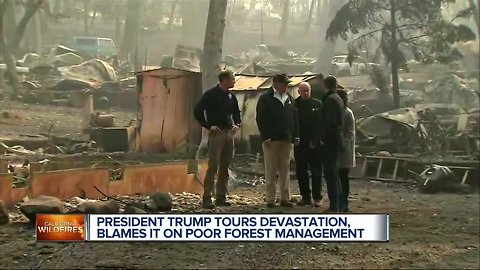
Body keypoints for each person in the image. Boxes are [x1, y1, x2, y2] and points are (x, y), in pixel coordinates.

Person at [193, 70, 241, 209]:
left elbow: (236, 113)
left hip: (228, 133)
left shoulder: (231, 96)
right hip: (216, 133)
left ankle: (221, 196)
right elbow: (197, 111)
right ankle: (207, 197)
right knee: (213, 166)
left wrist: (237, 124)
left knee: (225, 166)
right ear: (224, 80)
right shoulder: (211, 95)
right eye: (232, 79)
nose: (234, 81)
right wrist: (208, 126)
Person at [256, 73, 300, 208]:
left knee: (285, 168)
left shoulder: (289, 99)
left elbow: (295, 119)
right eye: (284, 83)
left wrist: (296, 135)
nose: (286, 86)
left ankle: (285, 198)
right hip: (271, 139)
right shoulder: (265, 98)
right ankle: (270, 198)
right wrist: (265, 136)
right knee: (271, 168)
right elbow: (261, 119)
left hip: (287, 138)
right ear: (276, 83)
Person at [312, 75, 345, 213]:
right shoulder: (337, 98)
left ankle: (334, 206)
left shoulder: (330, 100)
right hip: (335, 140)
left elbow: (328, 123)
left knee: (330, 175)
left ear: (325, 86)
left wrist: (319, 139)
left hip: (330, 142)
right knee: (333, 174)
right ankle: (338, 205)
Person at [294, 82, 323, 207]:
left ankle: (317, 197)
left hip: (314, 144)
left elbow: (321, 125)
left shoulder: (318, 104)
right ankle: (305, 197)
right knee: (301, 171)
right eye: (303, 91)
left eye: (308, 90)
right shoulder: (295, 105)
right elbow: (292, 123)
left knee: (316, 171)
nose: (306, 93)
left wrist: (315, 140)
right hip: (300, 143)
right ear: (299, 92)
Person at [337, 89, 355, 212]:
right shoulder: (338, 112)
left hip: (345, 151)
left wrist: (342, 144)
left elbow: (350, 133)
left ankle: (344, 202)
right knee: (337, 178)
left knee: (343, 177)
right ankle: (339, 201)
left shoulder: (347, 113)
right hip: (337, 151)